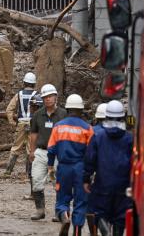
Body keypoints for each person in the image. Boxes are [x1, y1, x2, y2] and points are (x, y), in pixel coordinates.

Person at [83, 100, 133, 236]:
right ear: (123, 117)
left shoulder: (98, 137)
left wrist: (86, 179)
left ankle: (105, 233)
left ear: (106, 117)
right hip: (124, 186)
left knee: (98, 211)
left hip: (102, 184)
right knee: (120, 217)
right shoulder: (129, 139)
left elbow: (89, 160)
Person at [47, 94, 94, 236]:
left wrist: (50, 166)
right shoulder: (87, 128)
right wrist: (90, 172)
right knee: (81, 202)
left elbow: (51, 149)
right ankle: (77, 231)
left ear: (67, 109)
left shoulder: (58, 127)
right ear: (80, 110)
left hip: (64, 167)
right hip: (81, 168)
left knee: (62, 199)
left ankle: (65, 217)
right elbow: (91, 153)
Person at [29, 83, 67, 220]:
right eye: (45, 97)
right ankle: (40, 210)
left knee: (57, 183)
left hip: (58, 154)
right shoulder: (38, 115)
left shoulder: (63, 114)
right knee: (37, 180)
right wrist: (32, 151)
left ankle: (59, 212)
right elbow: (33, 134)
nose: (48, 99)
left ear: (56, 97)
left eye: (50, 96)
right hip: (41, 152)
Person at [4, 72, 37, 176]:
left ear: (24, 83)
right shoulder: (37, 95)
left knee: (16, 147)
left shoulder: (19, 95)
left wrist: (12, 122)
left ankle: (8, 171)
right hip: (33, 124)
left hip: (21, 123)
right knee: (30, 148)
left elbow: (9, 109)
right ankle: (29, 173)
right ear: (34, 84)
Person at [86, 102, 108, 236]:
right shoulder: (120, 132)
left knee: (91, 207)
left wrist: (85, 176)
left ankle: (94, 233)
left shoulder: (92, 131)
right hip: (113, 175)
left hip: (95, 174)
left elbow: (88, 155)